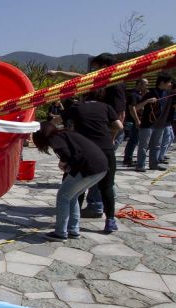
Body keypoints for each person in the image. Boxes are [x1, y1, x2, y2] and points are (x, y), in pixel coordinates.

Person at [47, 53, 125, 218]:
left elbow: (119, 117)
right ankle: (97, 216)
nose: (94, 70)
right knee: (99, 178)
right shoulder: (101, 85)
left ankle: (92, 208)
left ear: (105, 66)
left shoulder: (114, 85)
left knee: (93, 176)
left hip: (102, 137)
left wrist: (110, 138)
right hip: (96, 137)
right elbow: (79, 77)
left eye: (97, 67)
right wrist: (58, 73)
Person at [60, 89, 123, 233]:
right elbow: (119, 126)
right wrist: (111, 137)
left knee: (77, 187)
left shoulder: (76, 108)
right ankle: (110, 221)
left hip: (85, 151)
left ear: (83, 94)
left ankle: (72, 223)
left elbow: (58, 122)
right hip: (106, 151)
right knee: (106, 187)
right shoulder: (107, 107)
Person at [32, 122, 107, 241]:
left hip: (89, 167)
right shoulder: (64, 134)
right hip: (101, 168)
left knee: (63, 197)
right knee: (72, 196)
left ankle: (60, 232)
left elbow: (65, 152)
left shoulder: (55, 138)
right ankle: (73, 230)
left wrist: (63, 161)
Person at [136, 73, 174, 171]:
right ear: (162, 82)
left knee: (156, 146)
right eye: (169, 82)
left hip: (160, 124)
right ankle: (140, 165)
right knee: (143, 146)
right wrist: (147, 101)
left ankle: (154, 164)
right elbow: (137, 107)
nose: (170, 84)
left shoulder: (168, 94)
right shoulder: (151, 93)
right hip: (147, 124)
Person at [122, 78, 148, 166]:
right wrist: (137, 120)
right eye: (145, 84)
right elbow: (132, 108)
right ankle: (127, 159)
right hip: (133, 121)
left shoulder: (139, 94)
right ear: (139, 84)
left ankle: (128, 158)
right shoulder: (133, 94)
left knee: (134, 140)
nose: (146, 86)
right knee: (133, 140)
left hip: (137, 120)